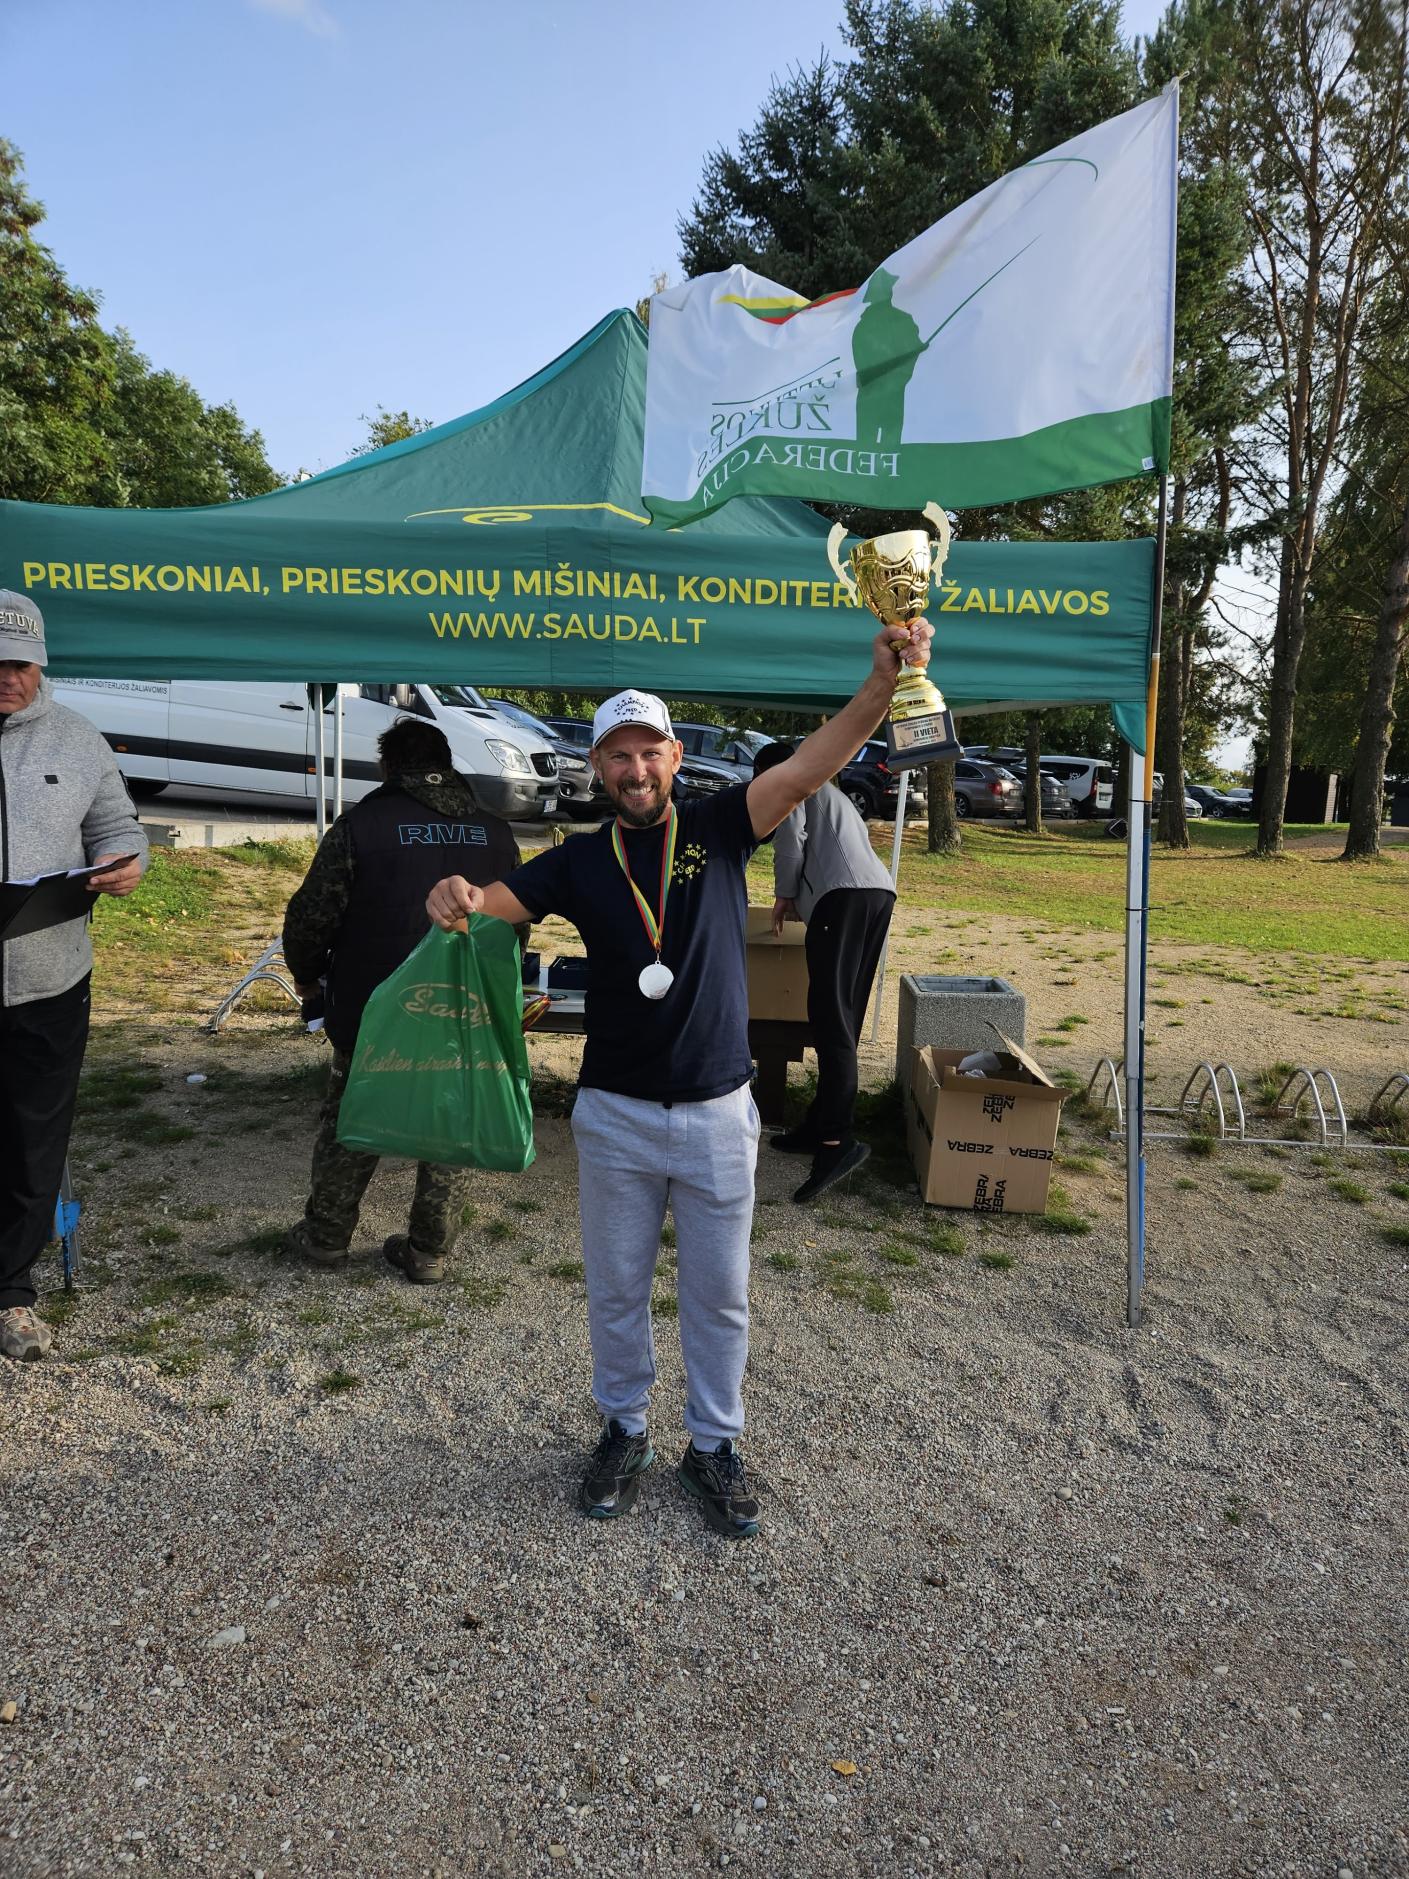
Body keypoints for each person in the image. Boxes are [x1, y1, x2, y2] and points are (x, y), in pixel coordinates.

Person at [425, 616, 933, 1541]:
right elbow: (485, 906)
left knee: (719, 1295)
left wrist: (880, 685)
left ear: (674, 756)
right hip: (615, 1113)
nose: (635, 769)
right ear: (597, 766)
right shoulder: (579, 859)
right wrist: (452, 895)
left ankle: (713, 1443)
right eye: (618, 755)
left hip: (716, 1111)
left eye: (649, 751)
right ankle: (623, 1429)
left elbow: (808, 768)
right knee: (616, 1288)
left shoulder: (719, 823)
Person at [282, 717, 521, 1285]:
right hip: (464, 1004)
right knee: (453, 1120)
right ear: (448, 764)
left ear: (387, 767)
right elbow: (515, 924)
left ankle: (326, 1237)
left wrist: (308, 979)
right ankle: (428, 1251)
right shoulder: (496, 832)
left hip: (373, 1006)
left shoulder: (360, 826)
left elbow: (311, 916)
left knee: (354, 1113)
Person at [0, 591, 148, 1363]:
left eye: (21, 664)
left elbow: (118, 826)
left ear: (41, 663)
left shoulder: (78, 737)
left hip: (50, 980)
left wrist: (125, 863)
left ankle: (11, 1292)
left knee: (34, 1141)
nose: (8, 677)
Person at [752, 740, 897, 1203]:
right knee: (843, 1017)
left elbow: (789, 842)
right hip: (876, 894)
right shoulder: (830, 791)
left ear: (772, 772)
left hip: (843, 898)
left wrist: (784, 894)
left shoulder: (795, 784)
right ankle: (820, 1125)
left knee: (831, 1019)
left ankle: (836, 1142)